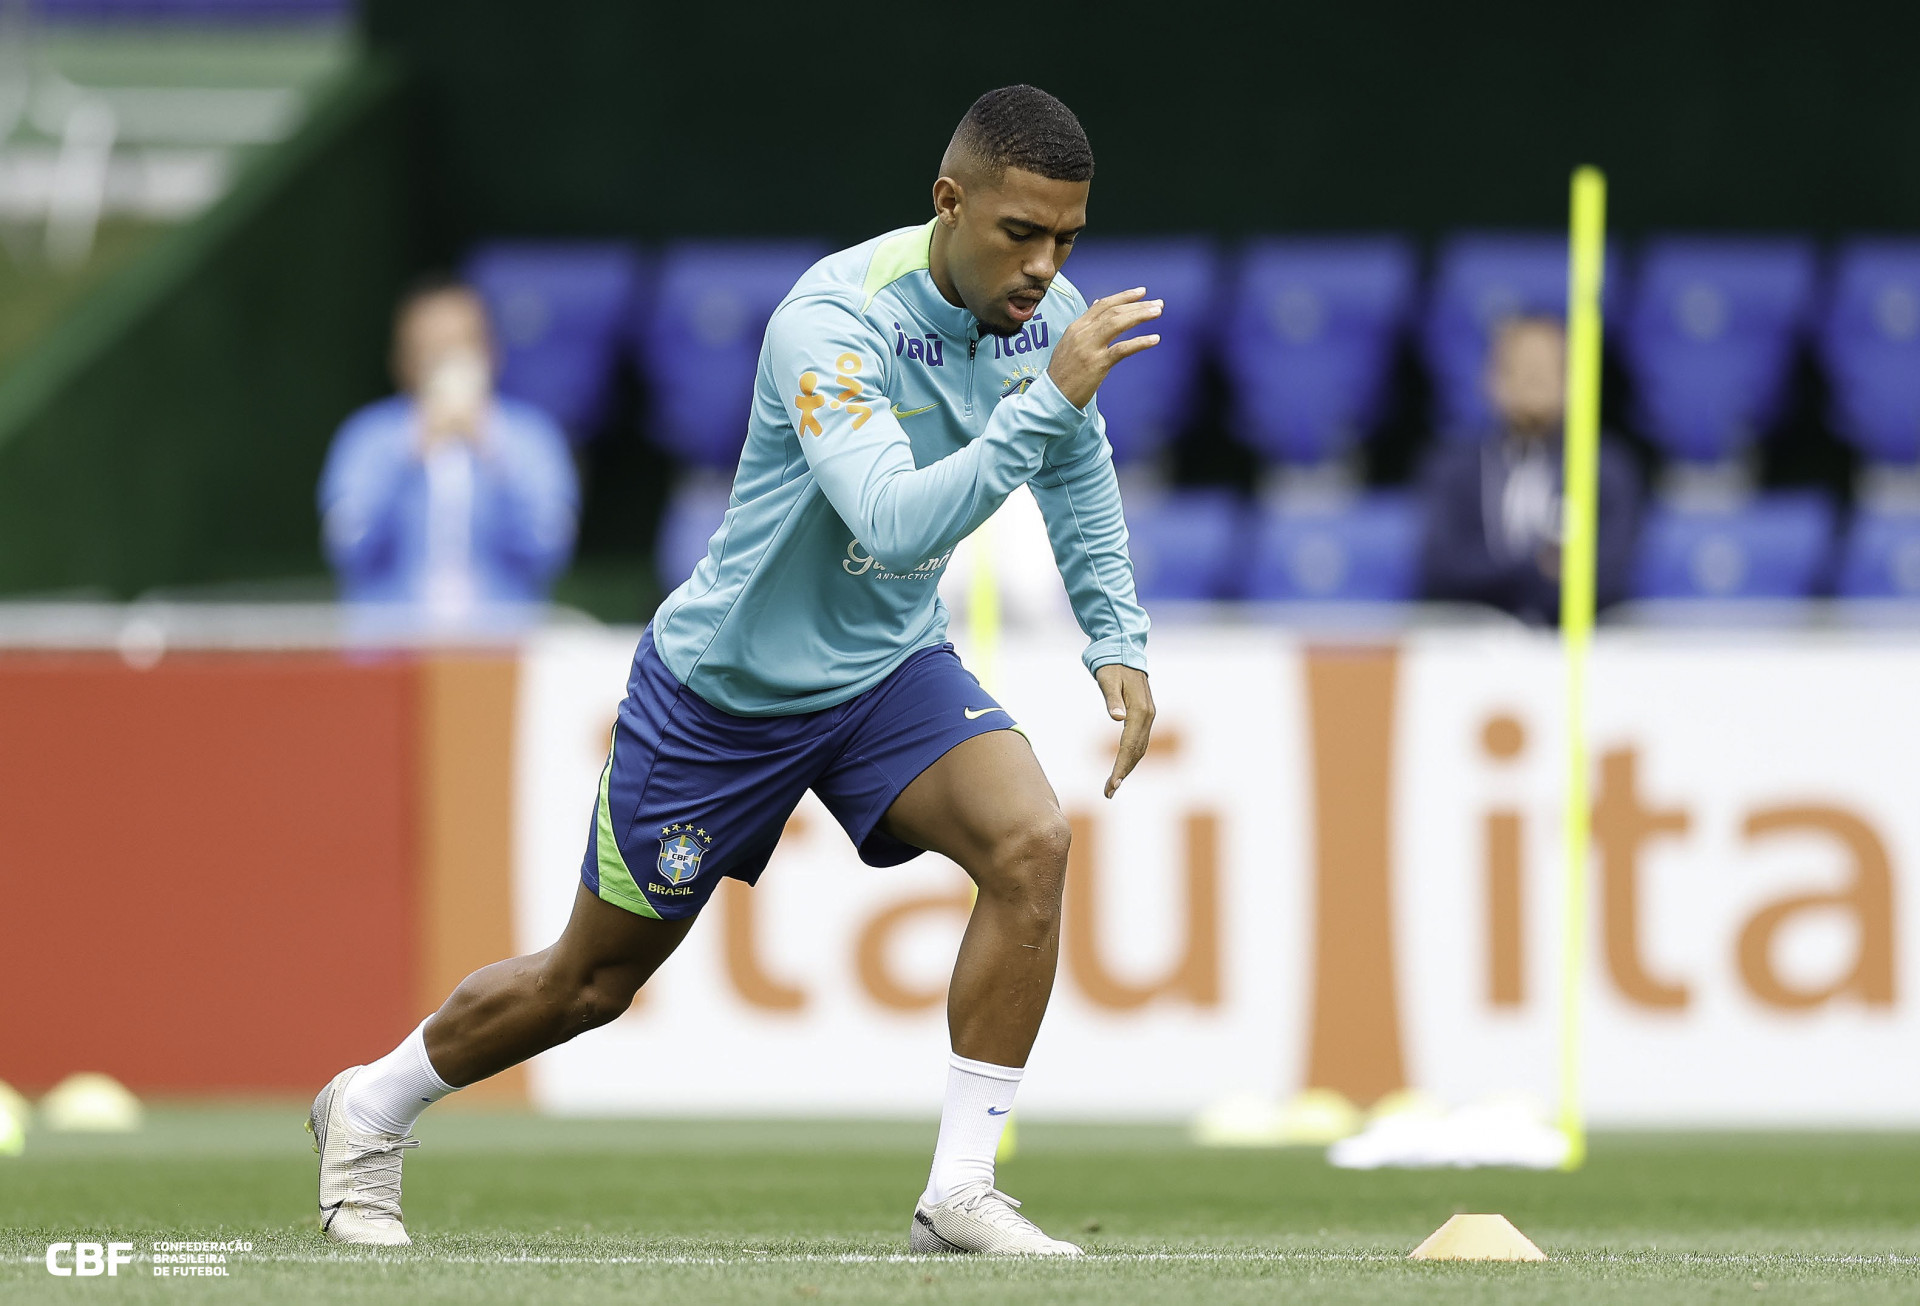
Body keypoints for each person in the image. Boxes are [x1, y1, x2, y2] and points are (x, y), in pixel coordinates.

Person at [309, 85, 1158, 1257]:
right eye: (1022, 233)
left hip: (886, 668)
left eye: (1066, 237)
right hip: (726, 693)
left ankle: (959, 1191)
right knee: (588, 983)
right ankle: (369, 1106)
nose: (1045, 266)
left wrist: (1116, 635)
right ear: (949, 202)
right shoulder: (833, 319)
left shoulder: (1041, 317)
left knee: (1032, 841)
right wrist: (1049, 397)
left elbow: (1076, 467)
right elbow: (895, 522)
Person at [318, 280, 578, 635]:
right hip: (389, 646)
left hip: (500, 645)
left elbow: (549, 550)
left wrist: (494, 457)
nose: (448, 363)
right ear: (402, 362)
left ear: (490, 353)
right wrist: (408, 457)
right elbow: (347, 547)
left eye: (462, 346)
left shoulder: (531, 437)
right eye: (432, 350)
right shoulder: (367, 437)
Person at [1418, 315, 1640, 623]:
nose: (1534, 381)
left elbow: (1611, 575)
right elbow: (1442, 569)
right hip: (1475, 640)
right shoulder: (1454, 469)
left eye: (1547, 369)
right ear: (1492, 379)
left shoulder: (1605, 467)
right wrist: (1537, 568)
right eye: (1520, 368)